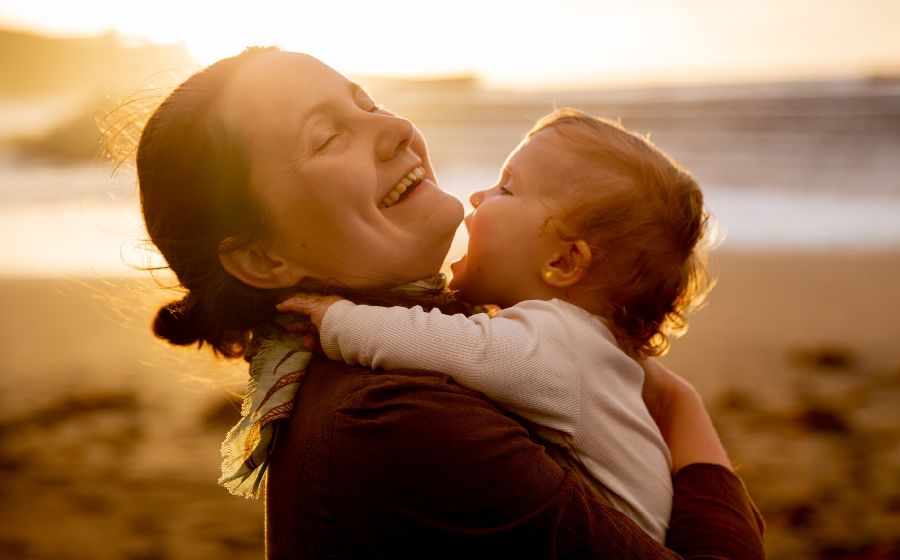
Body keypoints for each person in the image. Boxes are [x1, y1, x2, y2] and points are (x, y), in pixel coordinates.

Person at [136, 46, 765, 558]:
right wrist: (682, 409)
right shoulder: (396, 419)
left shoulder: (439, 349)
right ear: (261, 259)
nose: (396, 128)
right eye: (328, 137)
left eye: (369, 102)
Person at [276, 107, 713, 542]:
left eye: (506, 188)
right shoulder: (587, 350)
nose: (477, 197)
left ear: (562, 261)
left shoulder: (559, 340)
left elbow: (451, 344)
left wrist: (336, 319)